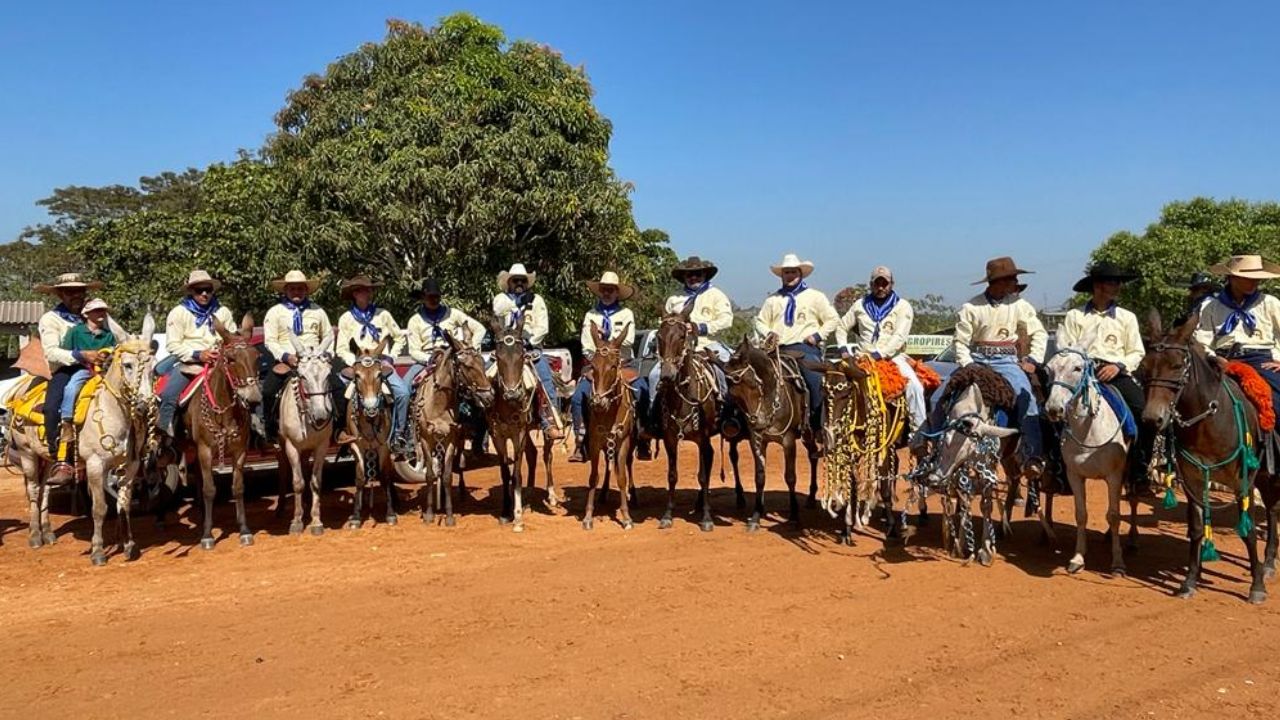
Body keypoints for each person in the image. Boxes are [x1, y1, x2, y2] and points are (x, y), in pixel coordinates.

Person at [930, 256, 1047, 480]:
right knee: (938, 397)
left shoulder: (1019, 305)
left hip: (1007, 361)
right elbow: (961, 343)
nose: (1015, 283)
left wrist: (1032, 359)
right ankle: (935, 450)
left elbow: (1039, 333)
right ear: (998, 281)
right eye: (1011, 279)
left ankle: (1033, 454)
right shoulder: (971, 307)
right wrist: (968, 365)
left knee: (1028, 399)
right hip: (976, 359)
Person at [1056, 262, 1151, 494]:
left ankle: (1139, 471)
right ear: (1098, 286)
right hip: (1080, 374)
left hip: (1115, 373)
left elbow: (1136, 351)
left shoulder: (1126, 318)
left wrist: (1118, 366)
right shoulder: (1074, 316)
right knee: (1050, 410)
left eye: (1118, 282)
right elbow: (1066, 350)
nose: (1118, 286)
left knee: (1144, 413)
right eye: (1113, 282)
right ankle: (1057, 469)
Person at [752, 253, 840, 435]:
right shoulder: (772, 300)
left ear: (800, 274)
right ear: (781, 275)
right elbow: (760, 321)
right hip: (777, 350)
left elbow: (832, 319)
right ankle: (747, 421)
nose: (790, 275)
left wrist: (817, 336)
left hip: (803, 349)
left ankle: (818, 428)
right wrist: (769, 333)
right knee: (749, 378)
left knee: (815, 381)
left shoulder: (815, 297)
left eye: (793, 272)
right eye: (786, 272)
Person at [645, 256, 734, 433]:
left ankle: (728, 415)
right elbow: (664, 326)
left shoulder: (716, 295)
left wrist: (700, 327)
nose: (693, 278)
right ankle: (653, 421)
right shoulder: (673, 299)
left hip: (708, 345)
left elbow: (727, 320)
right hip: (678, 351)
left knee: (727, 372)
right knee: (655, 375)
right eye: (689, 275)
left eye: (697, 274)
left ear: (704, 275)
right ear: (684, 277)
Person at [835, 265, 926, 431]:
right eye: (877, 283)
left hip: (893, 358)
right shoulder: (860, 305)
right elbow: (841, 327)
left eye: (885, 283)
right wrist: (843, 349)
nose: (881, 287)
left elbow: (899, 337)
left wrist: (879, 354)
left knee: (915, 387)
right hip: (863, 358)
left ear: (892, 284)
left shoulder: (902, 306)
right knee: (834, 384)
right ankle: (832, 430)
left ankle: (918, 433)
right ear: (871, 284)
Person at [33, 272, 105, 485]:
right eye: (70, 292)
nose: (76, 295)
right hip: (67, 369)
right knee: (52, 406)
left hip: (100, 367)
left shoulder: (94, 313)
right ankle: (60, 457)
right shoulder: (50, 319)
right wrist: (81, 355)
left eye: (80, 291)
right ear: (60, 295)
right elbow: (51, 352)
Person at [259, 270, 343, 443]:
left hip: (315, 361)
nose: (296, 292)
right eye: (292, 288)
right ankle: (271, 430)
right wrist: (286, 356)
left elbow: (328, 335)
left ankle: (339, 430)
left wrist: (327, 354)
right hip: (287, 361)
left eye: (300, 288)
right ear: (285, 290)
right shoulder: (275, 312)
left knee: (339, 388)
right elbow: (270, 341)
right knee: (268, 391)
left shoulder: (318, 311)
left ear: (306, 290)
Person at [569, 271, 642, 462]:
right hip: (598, 365)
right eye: (604, 290)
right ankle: (581, 440)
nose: (607, 293)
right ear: (599, 292)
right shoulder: (590, 315)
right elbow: (586, 343)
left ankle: (642, 437)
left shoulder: (626, 314)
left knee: (643, 390)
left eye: (611, 290)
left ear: (617, 293)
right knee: (578, 397)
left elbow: (629, 340)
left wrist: (607, 336)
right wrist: (598, 357)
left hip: (623, 363)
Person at [399, 277, 486, 438]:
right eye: (430, 297)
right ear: (423, 298)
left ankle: (479, 432)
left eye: (437, 296)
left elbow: (479, 329)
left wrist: (469, 348)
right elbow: (414, 350)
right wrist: (430, 359)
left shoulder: (453, 314)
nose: (434, 300)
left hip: (454, 357)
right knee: (405, 388)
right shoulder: (415, 321)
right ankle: (404, 433)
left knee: (481, 383)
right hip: (427, 360)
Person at [1193, 255, 1280, 412]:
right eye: (1248, 278)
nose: (1254, 282)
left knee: (1276, 400)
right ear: (1231, 278)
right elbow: (1201, 341)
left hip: (1260, 360)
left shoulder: (1269, 302)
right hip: (1222, 359)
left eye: (1257, 278)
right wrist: (1214, 357)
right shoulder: (1211, 306)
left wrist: (1279, 359)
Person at [157, 270, 238, 438]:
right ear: (191, 291)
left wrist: (223, 351)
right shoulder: (178, 313)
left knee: (249, 388)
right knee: (168, 395)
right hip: (190, 363)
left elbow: (232, 337)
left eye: (208, 290)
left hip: (221, 363)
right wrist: (198, 354)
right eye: (199, 290)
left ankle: (256, 429)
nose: (204, 294)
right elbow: (173, 344)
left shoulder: (223, 312)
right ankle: (164, 437)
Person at [492, 263, 565, 440]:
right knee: (484, 380)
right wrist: (517, 304)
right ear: (508, 282)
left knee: (545, 379)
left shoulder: (537, 300)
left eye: (522, 280)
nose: (519, 283)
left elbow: (543, 327)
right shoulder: (501, 299)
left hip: (531, 349)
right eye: (515, 280)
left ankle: (549, 422)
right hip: (506, 349)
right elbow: (497, 311)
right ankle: (483, 430)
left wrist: (528, 340)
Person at [334, 275, 409, 446]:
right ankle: (343, 431)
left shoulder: (383, 315)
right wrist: (355, 362)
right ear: (354, 294)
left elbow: (399, 338)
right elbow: (341, 348)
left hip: (380, 364)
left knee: (403, 392)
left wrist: (390, 358)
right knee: (337, 392)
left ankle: (399, 433)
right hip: (358, 365)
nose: (366, 293)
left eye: (369, 289)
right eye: (361, 290)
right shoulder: (346, 318)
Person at [56, 298, 118, 465]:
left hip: (105, 371)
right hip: (83, 370)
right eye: (97, 310)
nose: (101, 314)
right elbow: (66, 352)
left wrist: (109, 353)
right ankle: (67, 423)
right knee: (71, 388)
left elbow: (115, 352)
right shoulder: (76, 331)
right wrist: (83, 356)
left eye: (103, 311)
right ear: (86, 314)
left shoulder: (109, 335)